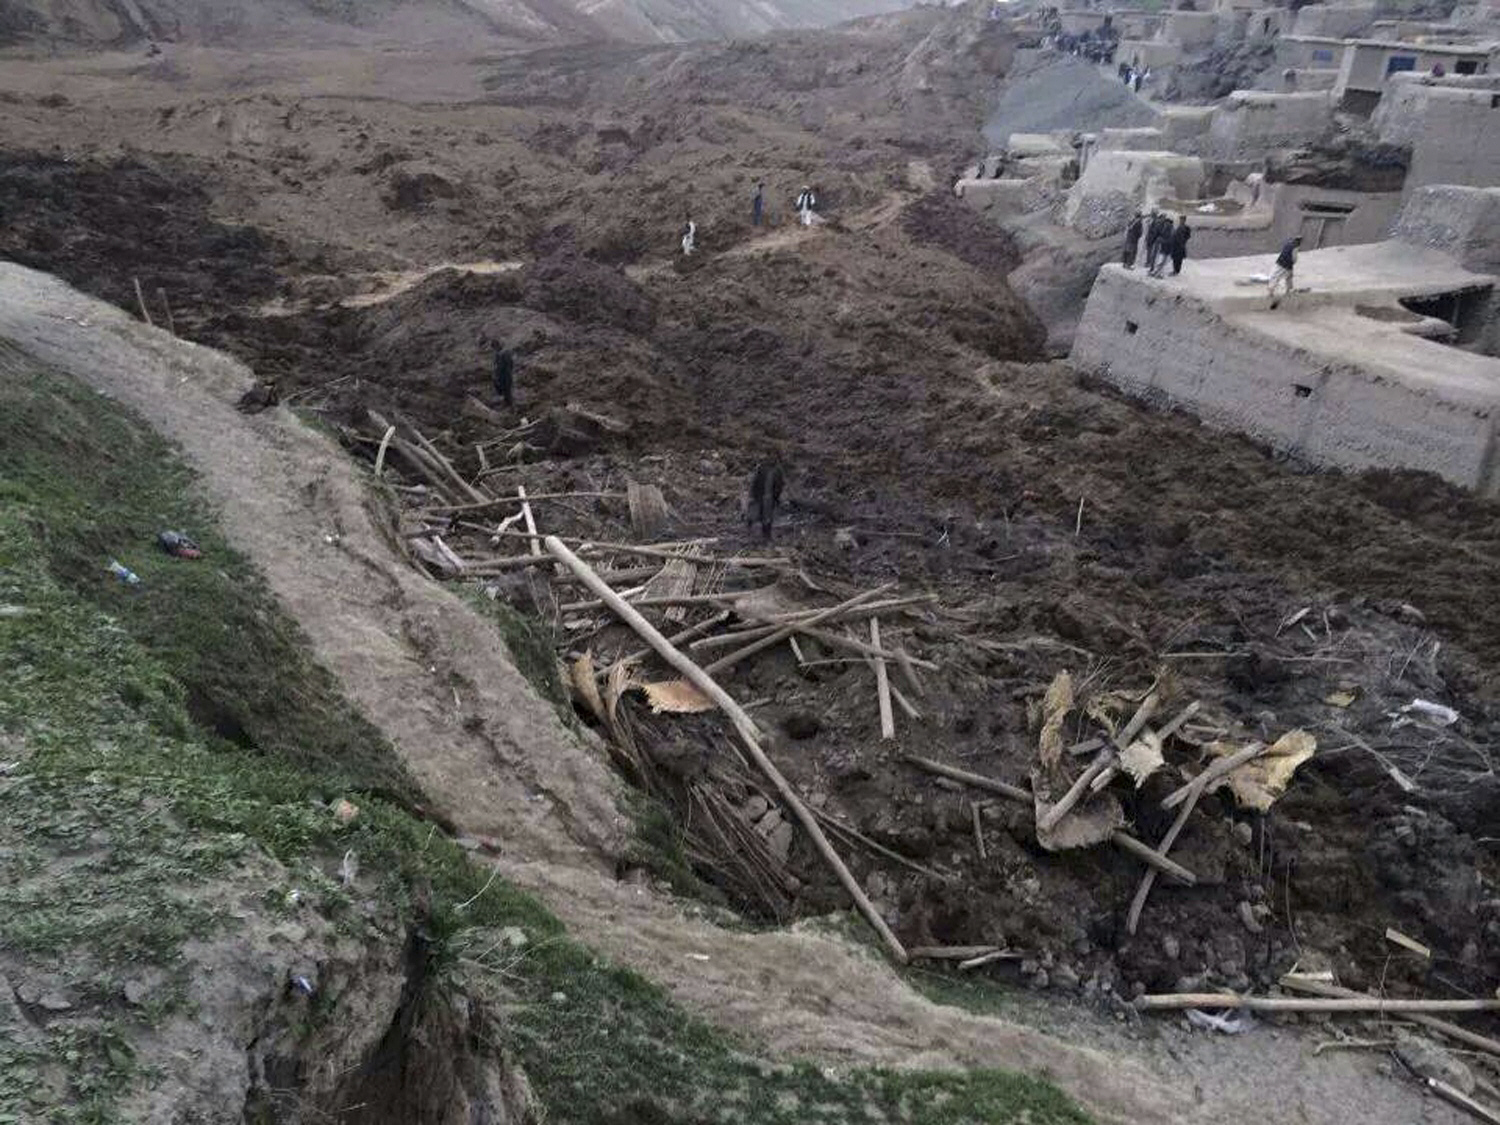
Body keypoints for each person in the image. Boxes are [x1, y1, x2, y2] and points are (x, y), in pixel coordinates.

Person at [1269, 236, 1301, 308]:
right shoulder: (1295, 247)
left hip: (1279, 263)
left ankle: (1271, 289)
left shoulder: (1287, 244)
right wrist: (1292, 263)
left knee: (1274, 276)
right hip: (1286, 265)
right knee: (1288, 277)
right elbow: (1294, 259)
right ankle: (1288, 290)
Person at [1148, 211, 1174, 277]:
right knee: (1161, 260)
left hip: (1162, 245)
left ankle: (1155, 272)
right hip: (1164, 246)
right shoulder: (1168, 227)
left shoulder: (1164, 226)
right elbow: (1167, 236)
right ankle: (1156, 273)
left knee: (1159, 259)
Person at [491, 340, 515, 407]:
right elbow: (511, 363)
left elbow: (500, 366)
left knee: (506, 390)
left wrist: (496, 374)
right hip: (507, 374)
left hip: (504, 375)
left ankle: (509, 405)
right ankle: (508, 404)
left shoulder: (501, 354)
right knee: (507, 390)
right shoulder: (505, 352)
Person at [1142, 208, 1162, 274]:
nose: (1152, 214)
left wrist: (1151, 237)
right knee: (1149, 250)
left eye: (1153, 213)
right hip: (1149, 237)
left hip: (1152, 238)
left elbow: (1154, 231)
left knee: (1150, 251)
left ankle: (1149, 263)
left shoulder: (1156, 221)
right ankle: (1148, 262)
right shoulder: (1152, 220)